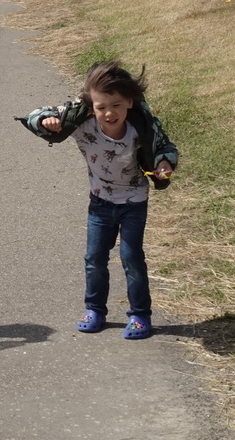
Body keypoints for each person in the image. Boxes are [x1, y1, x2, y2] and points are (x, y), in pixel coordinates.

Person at [36, 61, 178, 340]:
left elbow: (165, 147)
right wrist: (46, 121)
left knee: (131, 258)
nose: (109, 113)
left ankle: (139, 315)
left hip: (134, 201)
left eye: (116, 105)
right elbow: (41, 115)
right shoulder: (83, 124)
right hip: (100, 203)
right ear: (91, 107)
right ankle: (95, 309)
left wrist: (164, 163)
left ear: (130, 103)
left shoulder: (142, 127)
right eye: (101, 107)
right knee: (94, 258)